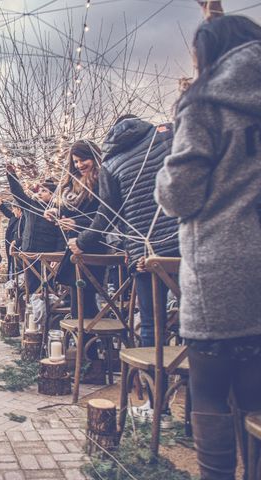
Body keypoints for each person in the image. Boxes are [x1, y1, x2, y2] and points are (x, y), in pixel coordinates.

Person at [155, 15, 261, 479]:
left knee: (212, 392)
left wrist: (163, 174)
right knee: (258, 398)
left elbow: (180, 194)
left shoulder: (206, 103)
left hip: (222, 264)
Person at [74, 116, 178, 349]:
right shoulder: (168, 135)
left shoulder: (111, 163)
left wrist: (81, 241)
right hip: (183, 244)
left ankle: (153, 380)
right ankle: (188, 379)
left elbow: (108, 213)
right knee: (193, 318)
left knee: (152, 323)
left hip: (145, 253)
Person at [47, 140, 104, 321]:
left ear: (93, 157)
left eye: (82, 160)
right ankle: (85, 345)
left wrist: (76, 223)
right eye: (76, 162)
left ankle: (90, 345)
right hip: (73, 247)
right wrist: (56, 212)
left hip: (93, 247)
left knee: (86, 303)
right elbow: (68, 213)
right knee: (77, 302)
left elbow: (104, 217)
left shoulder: (101, 181)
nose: (79, 165)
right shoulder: (72, 185)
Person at [5, 164, 62, 295]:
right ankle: (33, 311)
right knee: (30, 286)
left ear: (52, 194)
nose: (40, 193)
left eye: (44, 191)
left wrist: (58, 255)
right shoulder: (31, 205)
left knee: (48, 286)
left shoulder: (56, 210)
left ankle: (48, 312)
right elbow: (18, 193)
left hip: (48, 254)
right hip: (29, 252)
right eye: (39, 190)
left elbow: (60, 234)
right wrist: (12, 175)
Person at [0, 197, 24, 279]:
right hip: (11, 250)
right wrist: (0, 203)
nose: (12, 211)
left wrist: (16, 242)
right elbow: (8, 213)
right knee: (11, 270)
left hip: (18, 251)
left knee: (17, 272)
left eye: (13, 209)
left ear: (19, 209)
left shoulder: (24, 220)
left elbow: (25, 235)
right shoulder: (14, 217)